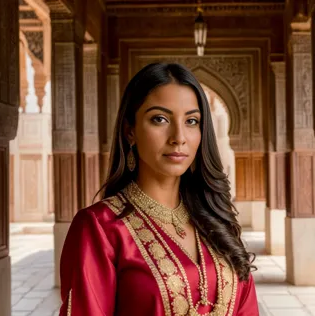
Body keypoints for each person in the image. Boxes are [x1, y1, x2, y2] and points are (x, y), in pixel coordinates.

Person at [59, 63, 259, 315]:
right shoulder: (101, 227)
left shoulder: (215, 218)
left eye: (191, 121)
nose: (179, 136)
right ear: (130, 131)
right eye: (160, 119)